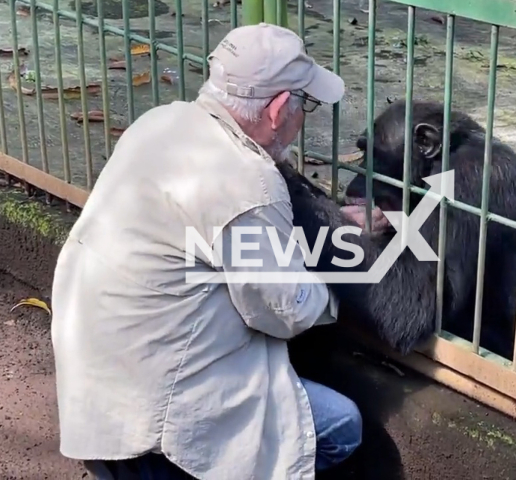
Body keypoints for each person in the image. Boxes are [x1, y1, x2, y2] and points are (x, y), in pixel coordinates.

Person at [50, 23, 370, 480]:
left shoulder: (160, 122)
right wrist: (339, 267)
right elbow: (285, 312)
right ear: (279, 110)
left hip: (94, 398)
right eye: (307, 105)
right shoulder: (248, 180)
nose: (304, 118)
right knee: (342, 424)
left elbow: (214, 238)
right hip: (155, 429)